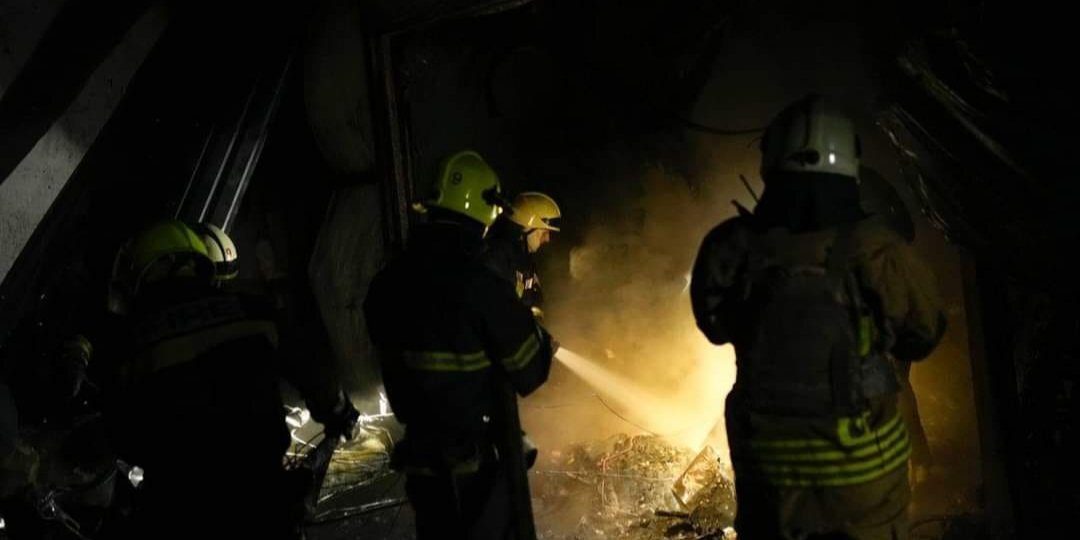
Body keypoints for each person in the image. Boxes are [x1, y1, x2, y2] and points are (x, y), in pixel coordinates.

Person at [690, 94, 946, 539]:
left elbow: (714, 326)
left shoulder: (731, 248)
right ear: (850, 164)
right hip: (865, 500)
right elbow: (923, 335)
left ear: (770, 162)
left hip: (773, 496)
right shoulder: (879, 251)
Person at [99, 218, 356, 540]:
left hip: (178, 508)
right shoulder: (252, 310)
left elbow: (122, 436)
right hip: (260, 496)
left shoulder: (130, 345)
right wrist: (337, 412)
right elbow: (314, 370)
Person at [364, 150, 556, 539]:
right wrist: (537, 335)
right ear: (484, 213)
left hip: (422, 465)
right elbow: (531, 369)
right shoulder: (478, 284)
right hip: (477, 471)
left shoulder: (387, 284)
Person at [481, 192, 561, 320]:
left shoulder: (525, 261)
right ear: (526, 228)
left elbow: (535, 299)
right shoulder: (497, 258)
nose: (547, 239)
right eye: (544, 233)